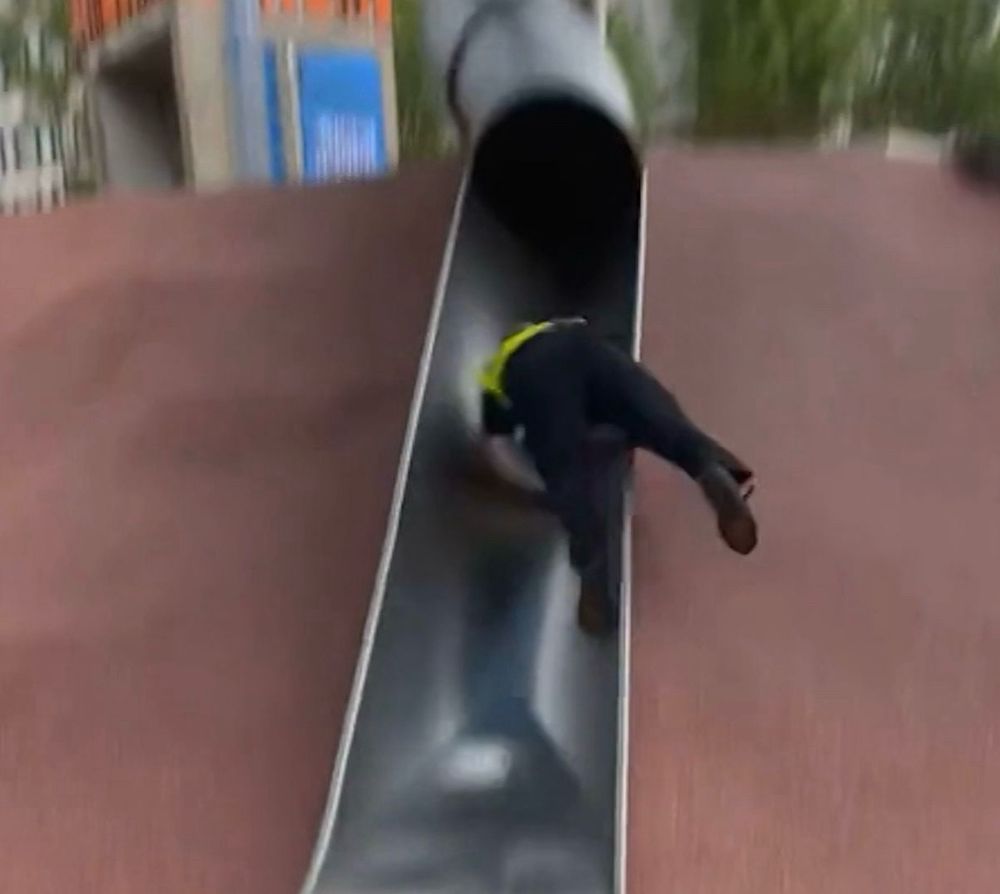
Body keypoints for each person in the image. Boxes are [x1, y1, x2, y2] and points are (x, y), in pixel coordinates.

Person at [479, 317, 758, 635]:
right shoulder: (564, 326)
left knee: (569, 474)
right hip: (594, 352)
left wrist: (533, 493)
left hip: (538, 379)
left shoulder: (496, 369)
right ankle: (710, 467)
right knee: (660, 420)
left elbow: (495, 445)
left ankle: (595, 578)